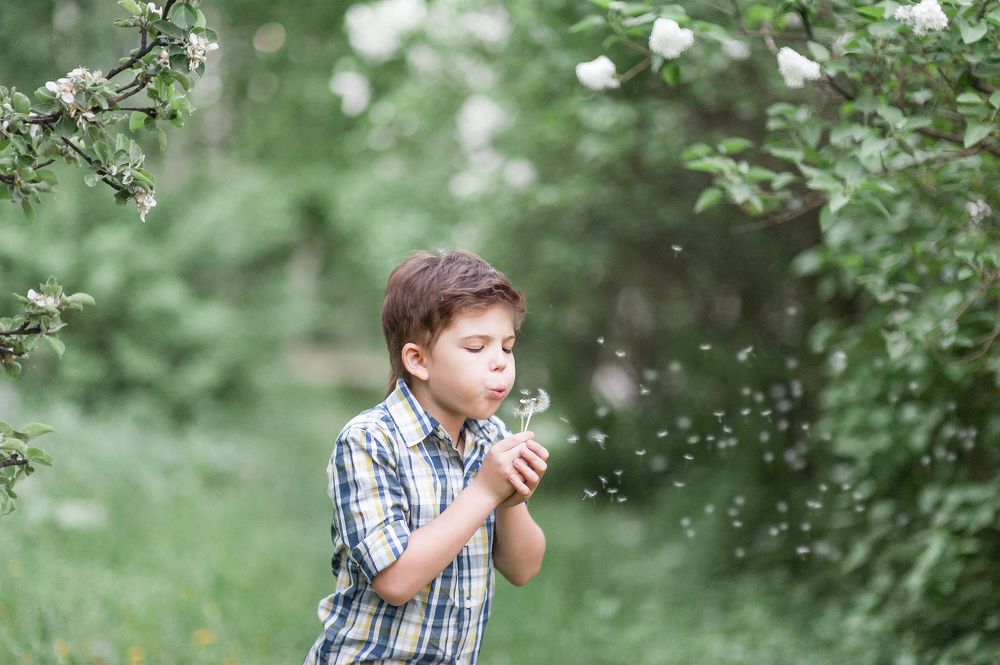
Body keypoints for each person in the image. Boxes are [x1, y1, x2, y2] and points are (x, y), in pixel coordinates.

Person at [303, 249, 549, 664]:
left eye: (507, 347)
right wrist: (485, 491)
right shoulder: (371, 441)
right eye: (476, 347)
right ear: (418, 360)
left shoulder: (492, 436)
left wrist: (511, 502)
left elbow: (523, 569)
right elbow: (395, 581)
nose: (499, 364)